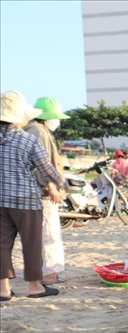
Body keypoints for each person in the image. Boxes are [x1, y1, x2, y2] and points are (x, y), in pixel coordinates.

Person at [0, 90, 64, 300]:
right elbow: (46, 169)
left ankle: (3, 290)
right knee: (31, 245)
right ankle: (35, 287)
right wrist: (61, 182)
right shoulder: (29, 140)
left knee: (2, 245)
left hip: (1, 200)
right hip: (26, 201)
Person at [24, 96, 69, 286]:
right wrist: (50, 187)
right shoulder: (39, 132)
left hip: (37, 190)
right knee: (49, 232)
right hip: (42, 191)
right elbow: (39, 164)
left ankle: (49, 271)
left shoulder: (35, 129)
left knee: (44, 232)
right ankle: (49, 273)